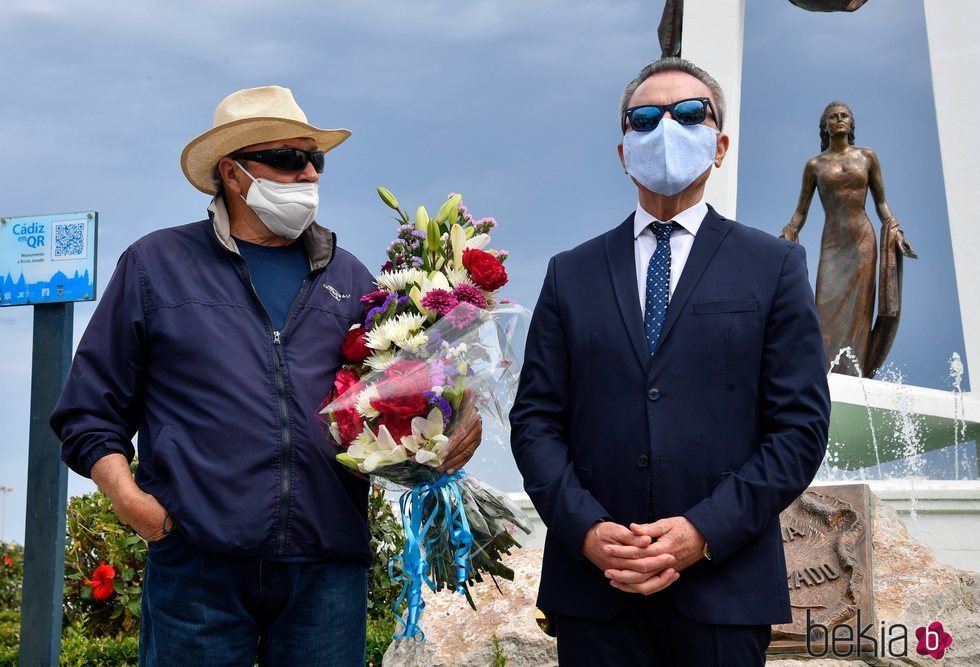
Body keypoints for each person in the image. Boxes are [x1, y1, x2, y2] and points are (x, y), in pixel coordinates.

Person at [51, 85, 480, 666]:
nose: (307, 173)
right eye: (286, 159)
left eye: (314, 160)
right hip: (196, 561)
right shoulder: (155, 265)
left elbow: (391, 398)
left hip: (326, 564)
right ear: (231, 172)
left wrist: (452, 417)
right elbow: (88, 410)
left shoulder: (352, 278)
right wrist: (131, 502)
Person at [510, 58, 831, 666]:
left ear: (720, 144)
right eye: (645, 118)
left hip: (723, 589)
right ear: (623, 148)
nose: (666, 129)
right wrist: (586, 530)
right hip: (595, 593)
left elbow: (800, 429)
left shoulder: (774, 267)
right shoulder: (569, 273)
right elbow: (535, 422)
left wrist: (703, 533)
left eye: (688, 114)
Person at [781, 101, 916, 378]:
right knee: (824, 309)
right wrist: (787, 233)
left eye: (844, 116)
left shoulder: (867, 157)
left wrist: (896, 230)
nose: (840, 120)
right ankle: (824, 371)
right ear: (825, 126)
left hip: (862, 241)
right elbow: (800, 211)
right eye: (833, 117)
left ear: (851, 124)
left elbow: (881, 203)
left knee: (860, 311)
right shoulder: (815, 165)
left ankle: (855, 371)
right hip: (832, 244)